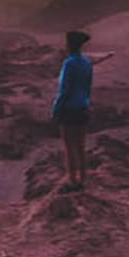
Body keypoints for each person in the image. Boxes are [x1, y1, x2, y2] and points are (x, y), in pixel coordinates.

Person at [51, 30, 112, 192]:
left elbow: (64, 90)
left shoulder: (69, 64)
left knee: (69, 147)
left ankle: (72, 181)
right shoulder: (86, 63)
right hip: (82, 107)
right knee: (80, 146)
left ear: (70, 45)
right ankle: (83, 179)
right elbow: (87, 86)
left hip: (69, 109)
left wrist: (56, 108)